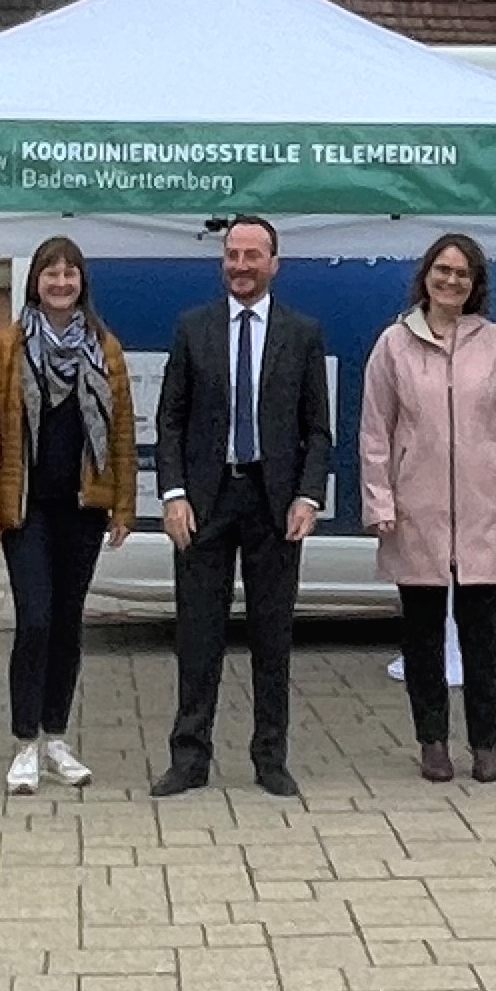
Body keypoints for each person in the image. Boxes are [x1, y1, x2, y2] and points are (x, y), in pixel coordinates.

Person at [152, 215, 331, 799]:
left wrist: (308, 495)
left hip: (274, 502)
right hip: (205, 500)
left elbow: (318, 429)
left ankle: (270, 757)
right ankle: (190, 757)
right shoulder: (192, 327)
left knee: (272, 636)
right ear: (221, 261)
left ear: (274, 263)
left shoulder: (301, 333)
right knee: (198, 634)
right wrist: (172, 493)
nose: (241, 266)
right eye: (232, 255)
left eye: (253, 255)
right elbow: (170, 418)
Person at [361, 234, 496, 786]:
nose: (452, 281)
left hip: (484, 514)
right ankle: (433, 742)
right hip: (417, 514)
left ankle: (485, 744)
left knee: (483, 638)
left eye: (463, 274)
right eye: (443, 271)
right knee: (422, 640)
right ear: (426, 276)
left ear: (475, 284)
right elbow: (375, 431)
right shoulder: (393, 344)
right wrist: (380, 503)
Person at [0, 236, 138, 795]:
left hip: (84, 508)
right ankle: (24, 743)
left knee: (68, 625)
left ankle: (57, 738)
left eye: (70, 274)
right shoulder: (7, 347)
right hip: (27, 510)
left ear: (82, 282)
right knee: (35, 621)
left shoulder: (103, 346)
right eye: (50, 273)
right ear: (34, 282)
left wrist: (123, 506)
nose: (61, 283)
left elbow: (122, 435)